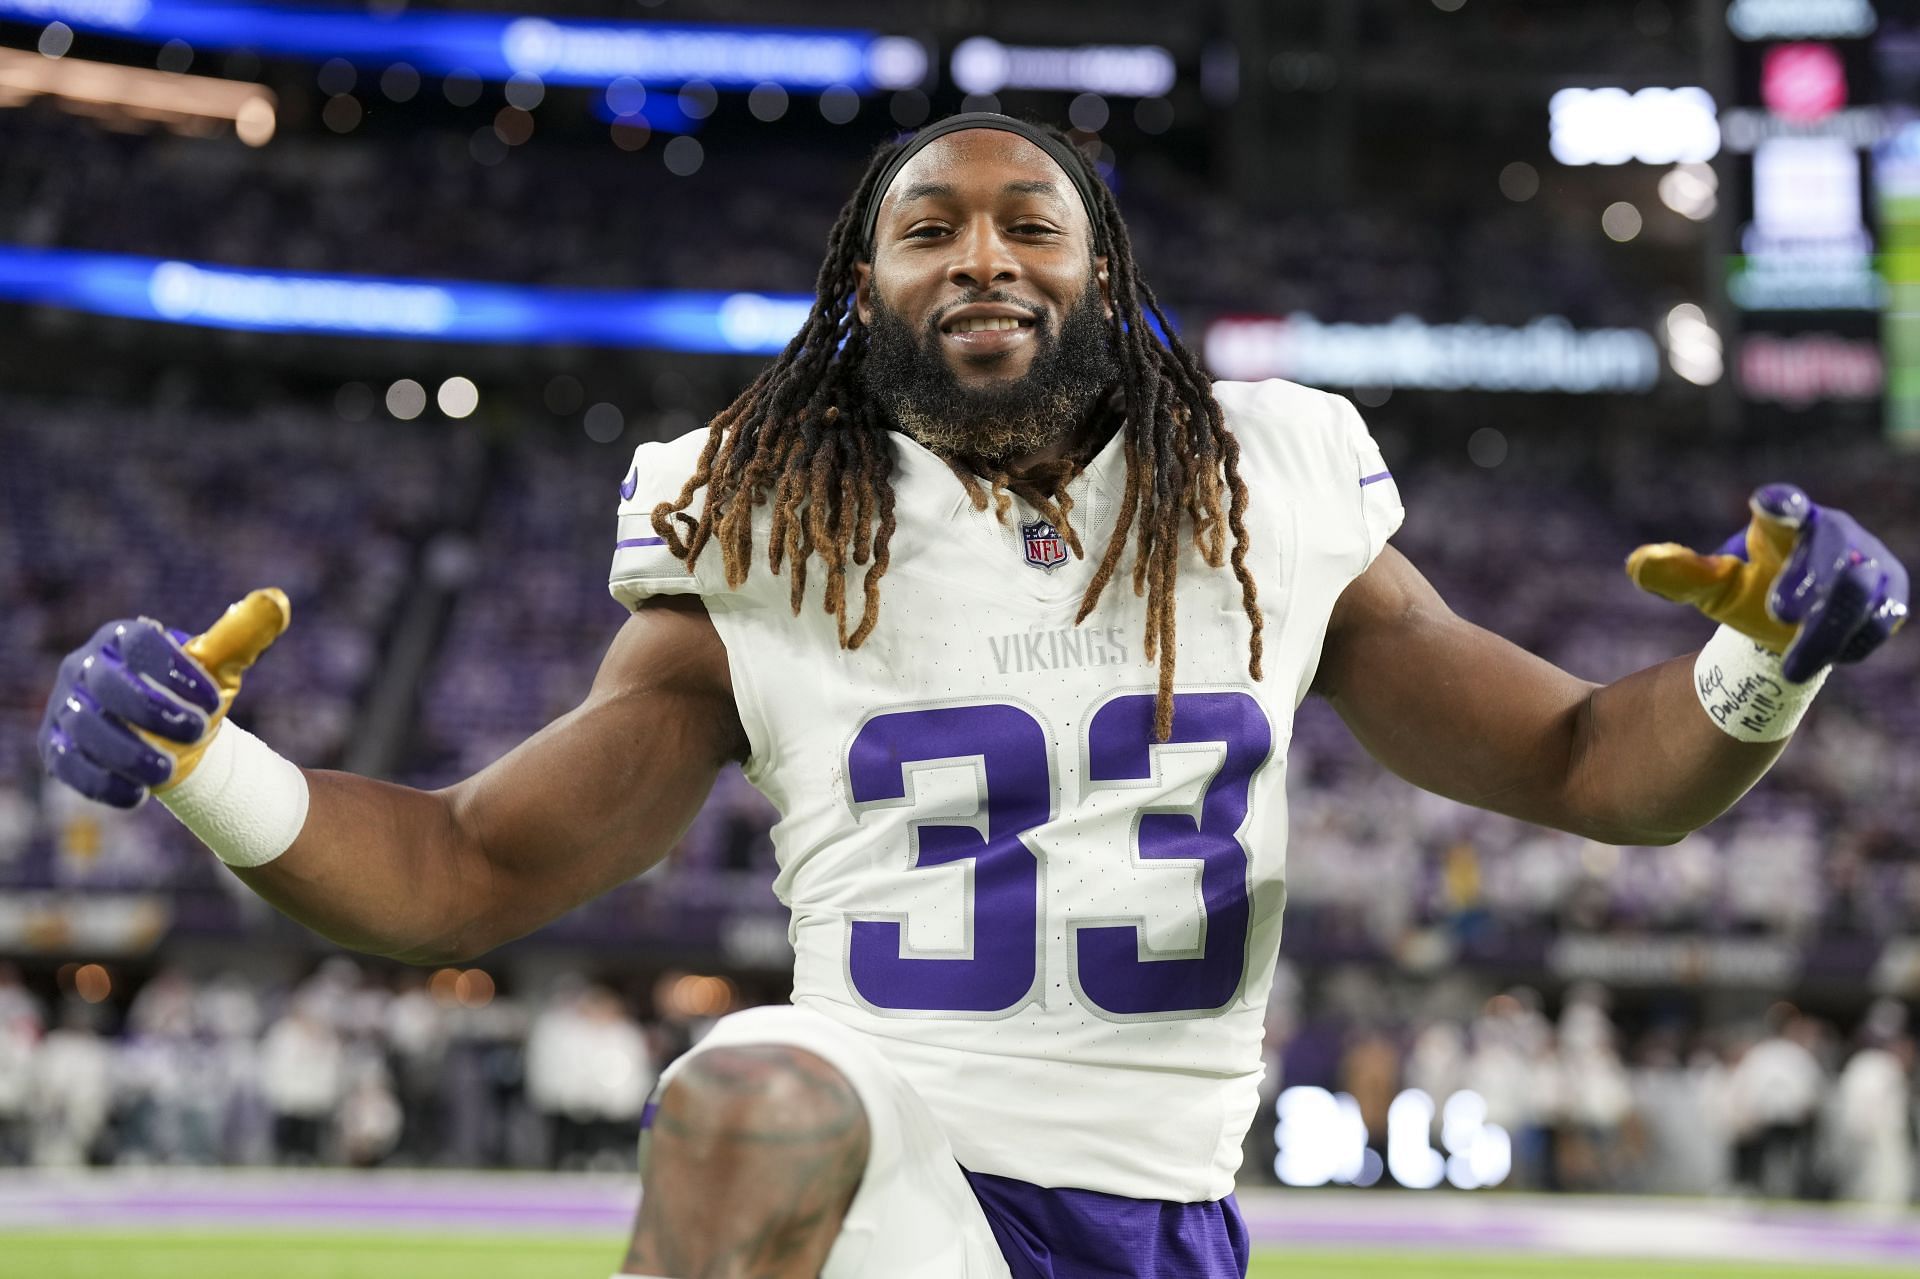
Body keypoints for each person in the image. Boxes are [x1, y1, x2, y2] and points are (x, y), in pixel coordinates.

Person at [35, 113, 1909, 1277]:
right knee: (746, 1095)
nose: (983, 252)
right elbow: (460, 870)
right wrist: (211, 768)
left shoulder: (1272, 480)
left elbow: (1595, 767)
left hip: (1151, 1207)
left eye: (1030, 221)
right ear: (863, 284)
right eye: (930, 227)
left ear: (1107, 274)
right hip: (884, 1150)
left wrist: (1763, 665)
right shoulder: (759, 520)